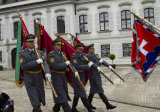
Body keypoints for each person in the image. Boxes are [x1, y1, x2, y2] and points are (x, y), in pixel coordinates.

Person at [19, 34, 51, 112]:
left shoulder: (39, 52)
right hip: (29, 78)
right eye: (29, 42)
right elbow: (24, 67)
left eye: (33, 41)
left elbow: (45, 63)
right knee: (35, 100)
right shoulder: (22, 54)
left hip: (38, 77)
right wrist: (36, 62)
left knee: (39, 97)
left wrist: (47, 72)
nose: (32, 43)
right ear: (26, 43)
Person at [48, 38, 76, 112]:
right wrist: (65, 64)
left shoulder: (63, 54)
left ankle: (56, 109)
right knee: (62, 96)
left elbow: (69, 64)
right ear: (54, 46)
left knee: (62, 93)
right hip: (56, 77)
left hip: (63, 77)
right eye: (58, 45)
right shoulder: (51, 54)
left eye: (60, 45)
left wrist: (75, 71)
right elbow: (55, 66)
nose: (60, 46)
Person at [86, 44, 116, 110]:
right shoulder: (87, 56)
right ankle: (107, 104)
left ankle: (88, 105)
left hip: (97, 74)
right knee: (99, 89)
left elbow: (103, 61)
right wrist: (100, 62)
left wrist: (109, 66)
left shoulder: (96, 55)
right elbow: (93, 65)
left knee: (92, 91)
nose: (93, 50)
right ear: (88, 50)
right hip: (92, 75)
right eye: (92, 49)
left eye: (94, 49)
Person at [70, 43, 95, 112]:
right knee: (82, 91)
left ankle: (73, 107)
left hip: (81, 74)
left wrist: (89, 62)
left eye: (82, 49)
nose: (82, 50)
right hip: (76, 75)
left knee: (78, 92)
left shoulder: (82, 55)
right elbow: (77, 66)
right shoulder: (74, 56)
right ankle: (88, 107)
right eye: (80, 49)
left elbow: (86, 61)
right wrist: (87, 66)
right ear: (77, 49)